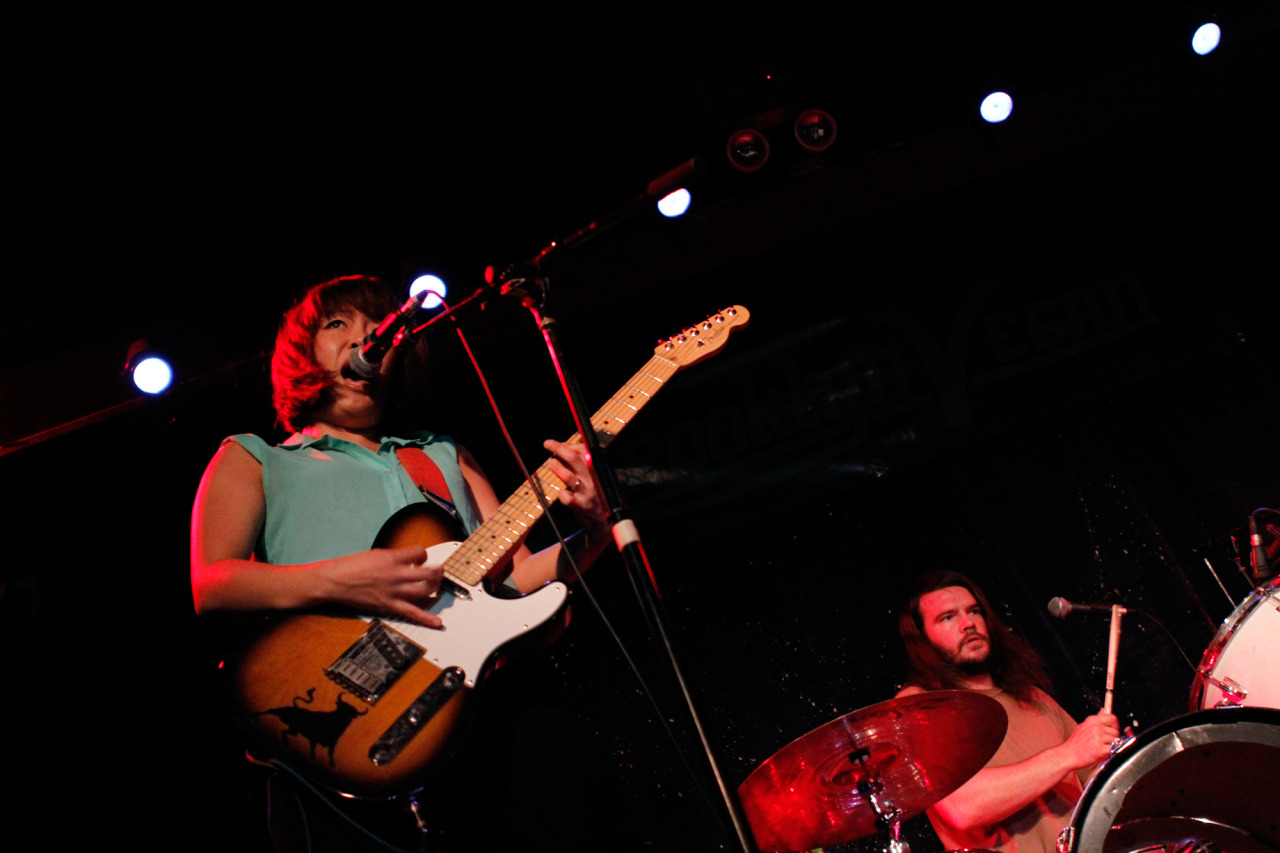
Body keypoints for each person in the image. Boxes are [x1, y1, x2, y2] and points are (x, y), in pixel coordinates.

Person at [190, 274, 612, 851]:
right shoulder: (255, 459)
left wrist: (594, 533)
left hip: (479, 707)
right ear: (303, 350)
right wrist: (345, 579)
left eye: (378, 331)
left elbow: (513, 579)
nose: (366, 341)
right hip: (344, 717)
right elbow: (214, 584)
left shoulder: (444, 453)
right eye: (339, 325)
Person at [895, 571, 1119, 853]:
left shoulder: (1033, 696)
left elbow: (1101, 784)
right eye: (948, 617)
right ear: (922, 639)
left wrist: (1120, 759)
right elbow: (965, 807)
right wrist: (1069, 754)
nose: (968, 623)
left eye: (974, 611)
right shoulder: (918, 706)